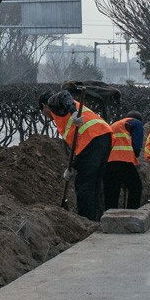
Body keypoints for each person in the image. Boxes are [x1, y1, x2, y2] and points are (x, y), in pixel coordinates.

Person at [42, 89, 113, 220]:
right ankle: (94, 220)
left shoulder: (52, 103)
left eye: (43, 112)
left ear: (43, 106)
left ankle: (85, 220)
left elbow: (64, 93)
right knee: (94, 183)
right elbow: (80, 147)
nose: (46, 116)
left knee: (83, 184)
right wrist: (73, 167)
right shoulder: (62, 113)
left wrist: (74, 113)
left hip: (93, 139)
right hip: (104, 137)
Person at [102, 111, 146, 211]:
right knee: (136, 187)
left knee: (112, 193)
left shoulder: (115, 125)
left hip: (108, 163)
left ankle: (109, 218)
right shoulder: (136, 122)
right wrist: (135, 153)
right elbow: (137, 145)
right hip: (123, 161)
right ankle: (131, 213)